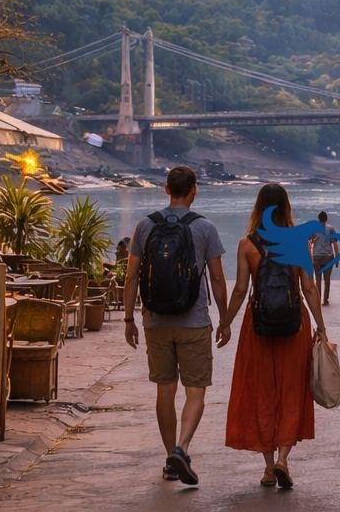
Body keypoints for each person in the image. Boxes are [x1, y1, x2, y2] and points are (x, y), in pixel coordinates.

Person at [122, 165, 228, 487]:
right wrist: (225, 318)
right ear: (194, 190)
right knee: (195, 391)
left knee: (165, 390)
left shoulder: (145, 226)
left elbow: (132, 276)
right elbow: (218, 278)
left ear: (166, 189)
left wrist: (128, 319)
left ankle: (170, 457)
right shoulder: (205, 228)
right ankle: (182, 448)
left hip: (155, 321)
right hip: (194, 322)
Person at [219, 183, 328, 489]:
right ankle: (283, 459)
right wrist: (321, 325)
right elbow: (308, 287)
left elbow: (241, 290)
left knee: (262, 391)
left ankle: (268, 468)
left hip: (259, 325)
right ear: (286, 208)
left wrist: (225, 322)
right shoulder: (298, 242)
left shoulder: (246, 244)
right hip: (295, 324)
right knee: (292, 390)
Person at [308, 211, 340, 305]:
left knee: (317, 279)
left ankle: (318, 300)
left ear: (318, 219)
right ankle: (325, 300)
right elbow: (335, 244)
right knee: (327, 280)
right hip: (328, 257)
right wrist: (337, 258)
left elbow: (309, 242)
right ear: (326, 219)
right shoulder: (331, 228)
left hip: (317, 257)